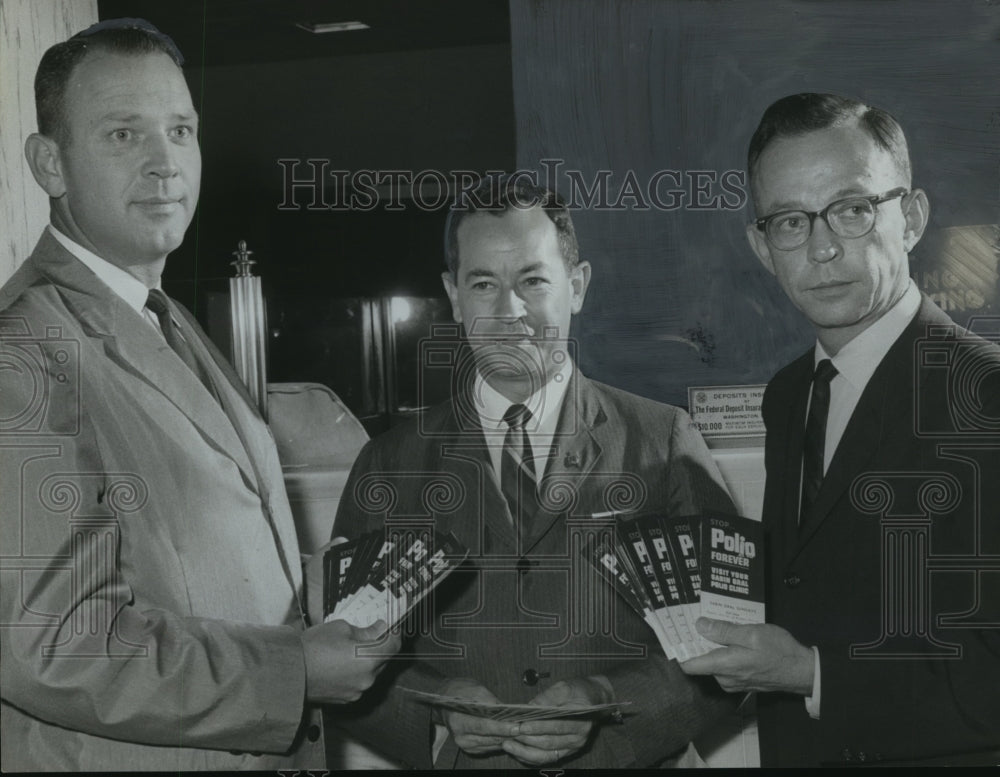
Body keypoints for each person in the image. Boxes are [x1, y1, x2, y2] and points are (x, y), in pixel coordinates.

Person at [0, 20, 398, 772]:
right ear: (49, 163)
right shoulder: (21, 354)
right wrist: (297, 669)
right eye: (124, 134)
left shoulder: (169, 319)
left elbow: (187, 561)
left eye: (181, 130)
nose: (165, 163)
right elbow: (56, 643)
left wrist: (317, 586)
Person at [329, 176, 738, 769]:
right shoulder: (389, 464)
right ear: (453, 294)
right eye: (484, 284)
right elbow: (338, 659)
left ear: (576, 286)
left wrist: (608, 704)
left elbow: (733, 644)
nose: (508, 311)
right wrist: (438, 710)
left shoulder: (663, 440)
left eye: (532, 280)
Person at [680, 92, 1000, 766]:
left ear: (910, 218)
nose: (822, 248)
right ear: (762, 247)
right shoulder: (789, 395)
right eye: (790, 221)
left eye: (852, 210)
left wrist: (811, 672)